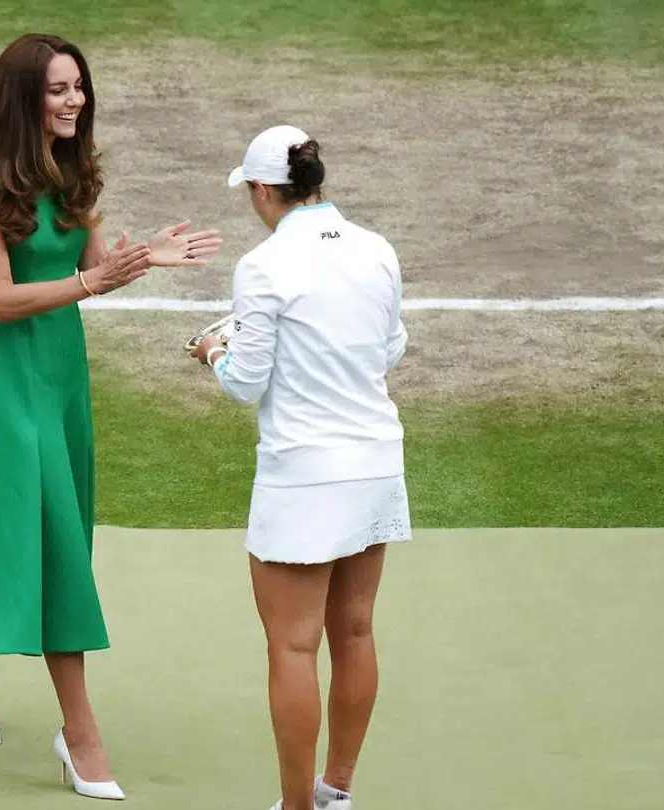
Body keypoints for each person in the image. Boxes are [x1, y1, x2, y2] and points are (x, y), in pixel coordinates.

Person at [0, 32, 223, 801]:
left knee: (48, 534)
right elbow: (1, 298)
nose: (74, 100)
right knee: (53, 537)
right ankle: (80, 735)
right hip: (9, 377)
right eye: (59, 89)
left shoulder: (73, 169)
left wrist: (139, 258)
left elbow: (92, 265)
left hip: (63, 375)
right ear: (24, 95)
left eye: (78, 88)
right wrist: (98, 280)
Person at [190, 125, 410, 810]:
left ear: (262, 190)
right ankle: (335, 793)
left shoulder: (261, 267)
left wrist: (211, 353)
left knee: (292, 649)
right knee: (354, 632)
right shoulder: (377, 249)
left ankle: (295, 807)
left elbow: (246, 382)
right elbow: (389, 347)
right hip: (374, 463)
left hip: (304, 476)